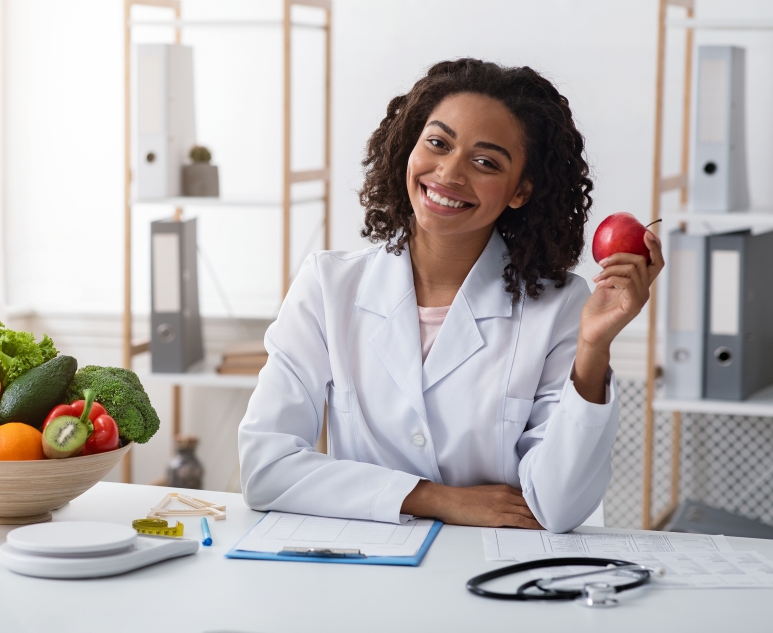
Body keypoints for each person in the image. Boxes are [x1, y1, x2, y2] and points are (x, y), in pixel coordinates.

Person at [238, 59, 663, 533]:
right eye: (437, 143)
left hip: (492, 574)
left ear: (521, 190)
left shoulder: (560, 307)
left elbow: (555, 507)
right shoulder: (328, 286)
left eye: (485, 162)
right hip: (365, 571)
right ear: (410, 147)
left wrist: (594, 349)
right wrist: (437, 499)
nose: (449, 173)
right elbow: (265, 468)